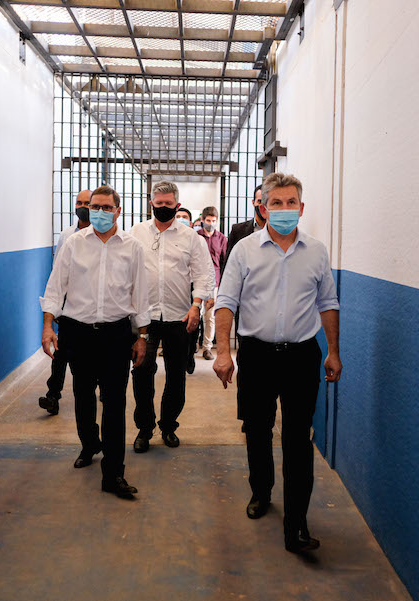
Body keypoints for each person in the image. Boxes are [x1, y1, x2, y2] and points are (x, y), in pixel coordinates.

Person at [213, 173, 342, 553]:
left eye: (291, 203)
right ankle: (262, 490)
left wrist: (333, 351)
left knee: (298, 438)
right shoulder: (244, 250)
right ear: (264, 207)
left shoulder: (316, 252)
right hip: (257, 355)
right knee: (257, 429)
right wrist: (223, 352)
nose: (284, 209)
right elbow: (226, 301)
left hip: (302, 355)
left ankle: (296, 524)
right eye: (276, 203)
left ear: (301, 208)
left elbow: (328, 303)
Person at [39, 185, 149, 498]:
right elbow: (55, 287)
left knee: (114, 402)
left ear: (118, 211)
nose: (99, 212)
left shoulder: (132, 247)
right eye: (94, 207)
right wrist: (48, 327)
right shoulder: (74, 244)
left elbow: (141, 294)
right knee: (83, 396)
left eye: (105, 207)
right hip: (78, 332)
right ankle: (89, 445)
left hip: (116, 334)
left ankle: (113, 474)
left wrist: (142, 336)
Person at [129, 181, 214, 453]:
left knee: (176, 376)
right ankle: (144, 429)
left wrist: (196, 305)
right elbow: (127, 271)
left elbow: (204, 274)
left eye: (168, 204)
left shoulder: (191, 238)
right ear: (151, 204)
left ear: (177, 205)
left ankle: (168, 426)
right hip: (145, 318)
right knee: (142, 372)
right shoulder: (136, 233)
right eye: (159, 203)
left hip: (179, 317)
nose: (163, 207)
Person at [38, 190, 92, 416]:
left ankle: (97, 388)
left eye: (87, 203)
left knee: (93, 352)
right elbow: (58, 270)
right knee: (61, 351)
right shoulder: (67, 235)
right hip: (69, 303)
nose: (82, 206)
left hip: (93, 303)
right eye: (79, 202)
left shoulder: (103, 235)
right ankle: (53, 395)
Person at [197, 206, 227, 361]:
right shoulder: (196, 236)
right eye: (208, 220)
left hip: (214, 283)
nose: (211, 223)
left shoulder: (222, 238)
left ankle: (207, 347)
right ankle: (192, 344)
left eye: (214, 221)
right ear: (202, 220)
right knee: (194, 314)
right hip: (196, 281)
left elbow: (224, 262)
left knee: (210, 317)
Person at [175, 207, 200, 374]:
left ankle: (190, 354)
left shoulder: (195, 239)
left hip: (191, 288)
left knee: (193, 325)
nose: (181, 219)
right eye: (178, 216)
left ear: (190, 222)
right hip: (175, 287)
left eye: (184, 217)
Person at [224, 184, 265, 270]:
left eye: (266, 202)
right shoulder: (238, 230)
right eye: (260, 201)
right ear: (253, 203)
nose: (263, 206)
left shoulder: (278, 231)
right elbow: (228, 264)